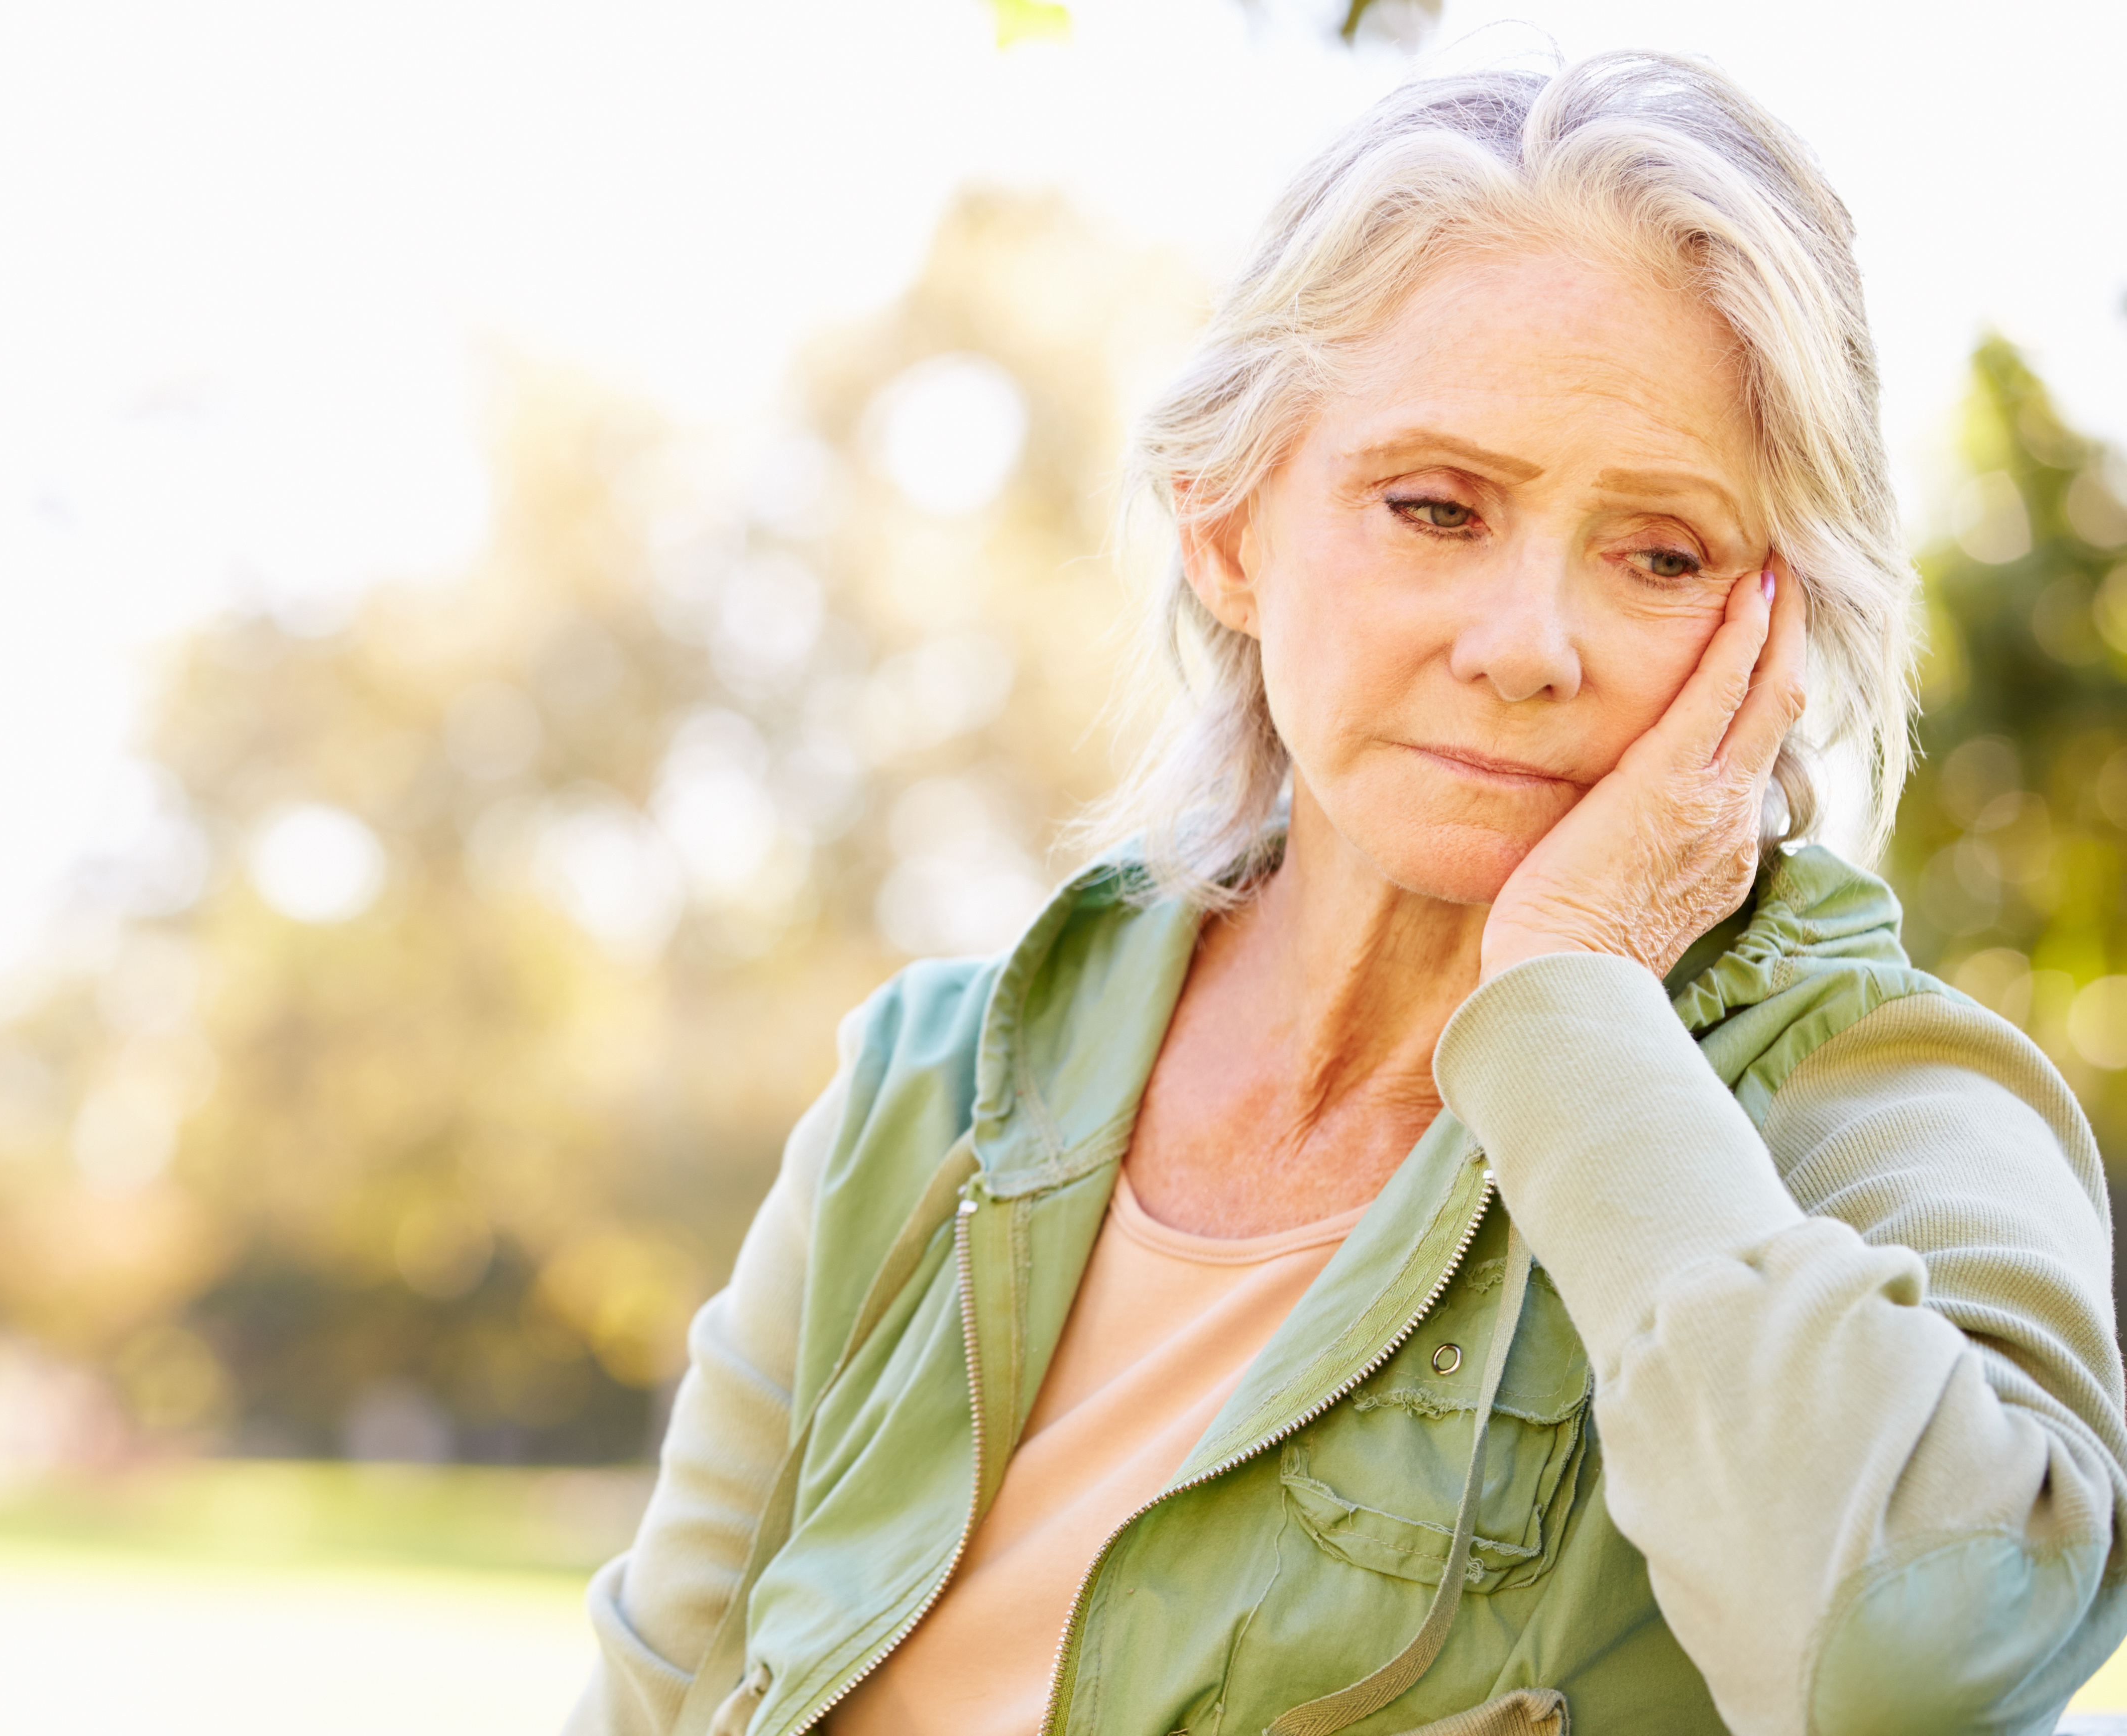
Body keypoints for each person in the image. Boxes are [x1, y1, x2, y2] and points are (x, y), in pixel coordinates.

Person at [566, 51, 2127, 1736]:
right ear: (1227, 525)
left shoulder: (1873, 1095)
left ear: (1783, 620)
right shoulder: (927, 1087)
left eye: (1661, 552)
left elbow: (1920, 1666)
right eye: (1436, 508)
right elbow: (651, 1697)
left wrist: (1576, 1000)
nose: (1528, 644)